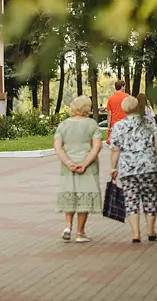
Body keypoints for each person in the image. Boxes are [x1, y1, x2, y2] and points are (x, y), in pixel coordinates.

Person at [110, 95, 157, 243]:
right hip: (149, 167)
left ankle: (136, 234)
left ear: (124, 109)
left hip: (128, 169)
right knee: (150, 198)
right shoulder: (150, 123)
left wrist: (113, 167)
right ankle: (151, 231)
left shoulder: (119, 126)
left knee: (131, 201)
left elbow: (115, 149)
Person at [53, 95, 102, 243]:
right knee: (84, 198)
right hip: (87, 167)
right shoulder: (92, 124)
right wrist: (85, 163)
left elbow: (57, 147)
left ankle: (68, 226)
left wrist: (68, 163)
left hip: (68, 167)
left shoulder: (63, 125)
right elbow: (97, 146)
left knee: (70, 194)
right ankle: (80, 233)